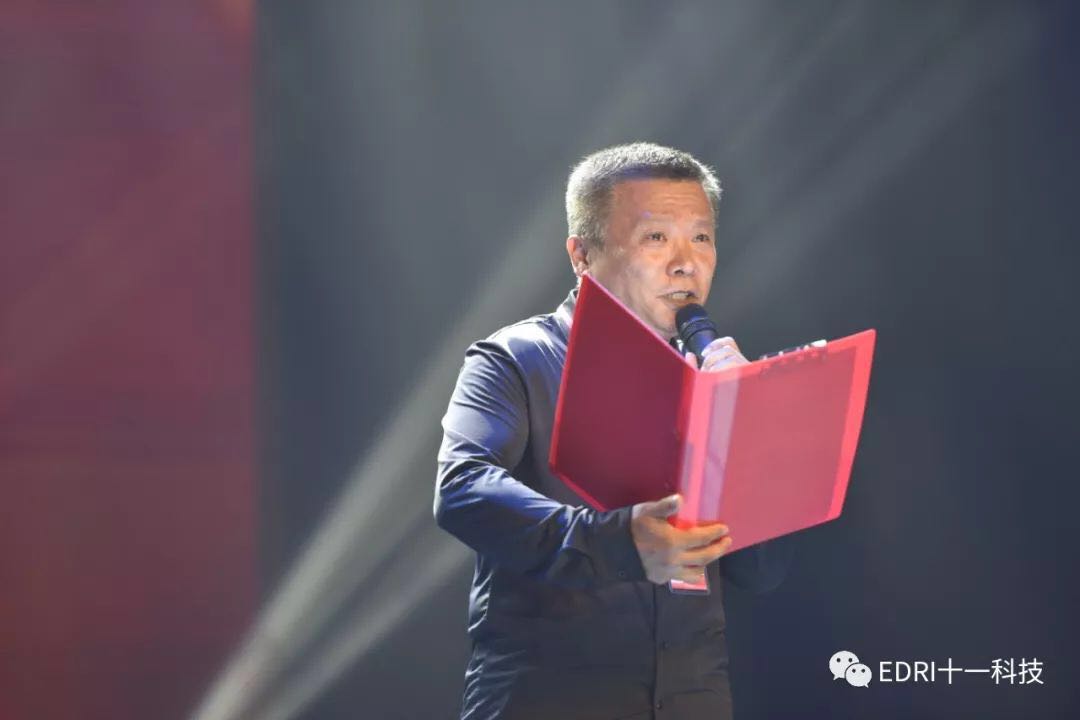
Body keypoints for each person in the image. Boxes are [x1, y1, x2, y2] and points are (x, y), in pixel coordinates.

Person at [435, 142, 790, 719]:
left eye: (701, 237)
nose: (686, 263)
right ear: (582, 254)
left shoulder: (711, 382)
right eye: (657, 237)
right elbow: (462, 489)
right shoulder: (516, 358)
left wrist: (746, 430)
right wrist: (617, 541)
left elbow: (762, 572)